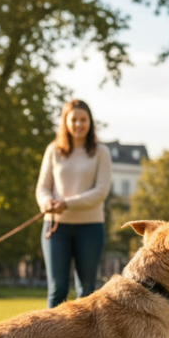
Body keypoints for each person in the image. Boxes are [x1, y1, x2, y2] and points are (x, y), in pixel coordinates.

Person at [36, 99, 112, 308]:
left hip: (91, 229)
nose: (79, 124)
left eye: (83, 120)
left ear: (90, 122)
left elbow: (100, 192)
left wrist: (66, 203)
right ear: (66, 122)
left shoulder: (101, 152)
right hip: (55, 228)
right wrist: (46, 202)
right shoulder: (54, 150)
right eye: (74, 120)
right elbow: (42, 187)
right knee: (57, 289)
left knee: (87, 290)